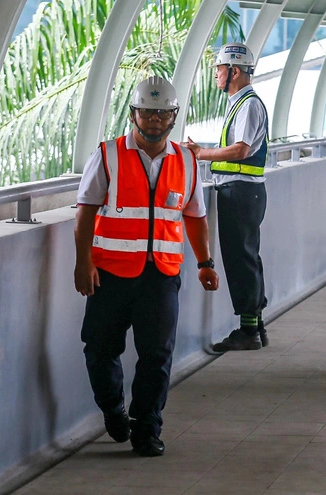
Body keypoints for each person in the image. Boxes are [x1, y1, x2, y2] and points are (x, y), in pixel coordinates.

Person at [76, 77, 219, 457]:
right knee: (99, 349)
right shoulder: (107, 155)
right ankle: (113, 410)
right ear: (133, 114)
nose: (154, 119)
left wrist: (205, 262)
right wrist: (83, 262)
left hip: (162, 275)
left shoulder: (186, 161)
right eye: (147, 112)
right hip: (109, 274)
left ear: (173, 116)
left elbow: (195, 216)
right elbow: (86, 213)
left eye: (162, 113)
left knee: (157, 355)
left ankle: (147, 429)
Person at [185, 43, 269, 352]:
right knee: (247, 256)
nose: (217, 75)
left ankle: (248, 331)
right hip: (243, 190)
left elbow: (241, 149)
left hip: (241, 191)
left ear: (234, 71)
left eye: (220, 69)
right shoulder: (240, 102)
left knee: (240, 259)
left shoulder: (248, 104)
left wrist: (199, 154)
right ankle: (256, 324)